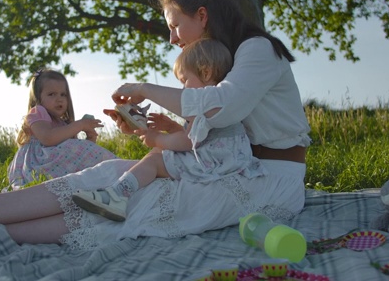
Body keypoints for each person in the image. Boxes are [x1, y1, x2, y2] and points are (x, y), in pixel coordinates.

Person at [0, 0, 310, 249]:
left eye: (175, 25)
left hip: (270, 182)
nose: (170, 37)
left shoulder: (255, 50)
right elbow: (211, 131)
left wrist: (146, 89)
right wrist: (156, 126)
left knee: (141, 199)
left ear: (202, 16)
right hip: (228, 169)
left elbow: (221, 108)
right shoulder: (219, 62)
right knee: (113, 178)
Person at [72, 38, 264, 222]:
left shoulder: (207, 105)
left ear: (206, 73)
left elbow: (187, 143)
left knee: (156, 159)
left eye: (185, 80)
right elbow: (195, 137)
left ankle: (116, 196)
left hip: (216, 163)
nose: (182, 88)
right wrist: (171, 127)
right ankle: (117, 191)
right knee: (159, 153)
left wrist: (157, 139)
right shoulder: (219, 105)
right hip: (225, 160)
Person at [6, 68, 116, 190]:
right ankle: (119, 172)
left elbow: (77, 159)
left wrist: (90, 138)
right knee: (79, 147)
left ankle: (115, 174)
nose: (59, 99)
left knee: (83, 149)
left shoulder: (63, 124)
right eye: (51, 94)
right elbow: (48, 138)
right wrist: (80, 125)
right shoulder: (38, 112)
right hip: (38, 166)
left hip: (54, 167)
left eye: (63, 94)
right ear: (38, 97)